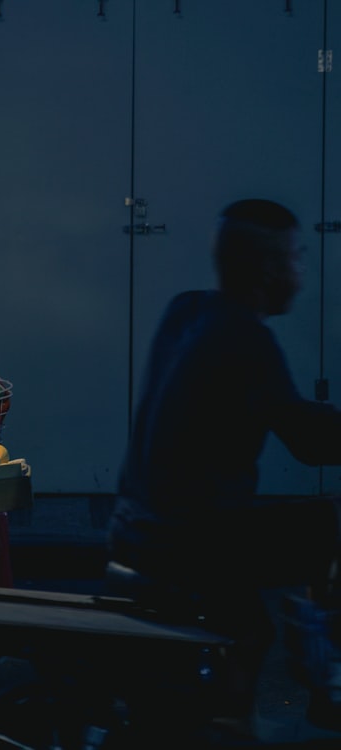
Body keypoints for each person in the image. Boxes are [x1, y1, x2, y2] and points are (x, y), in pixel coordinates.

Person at [107, 198, 341, 736]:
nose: (303, 272)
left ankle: (232, 711)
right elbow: (308, 438)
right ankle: (327, 673)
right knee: (335, 521)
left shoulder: (187, 309)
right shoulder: (246, 338)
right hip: (192, 543)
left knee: (248, 623)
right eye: (298, 258)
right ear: (269, 269)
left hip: (135, 529)